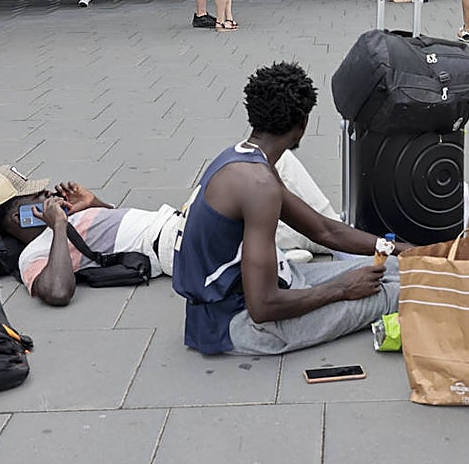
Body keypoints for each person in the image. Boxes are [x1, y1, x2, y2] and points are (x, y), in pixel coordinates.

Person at [172, 62, 406, 355]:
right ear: (302, 124)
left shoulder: (244, 159)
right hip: (238, 323)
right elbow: (263, 306)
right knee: (398, 292)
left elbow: (325, 230)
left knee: (399, 267)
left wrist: (404, 250)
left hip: (270, 288)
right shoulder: (259, 185)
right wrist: (342, 289)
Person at [0, 149, 338, 307]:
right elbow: (57, 292)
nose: (45, 194)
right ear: (12, 217)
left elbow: (122, 230)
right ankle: (329, 242)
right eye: (32, 197)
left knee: (269, 164)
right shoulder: (34, 255)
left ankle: (304, 247)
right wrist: (56, 227)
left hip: (178, 222)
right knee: (263, 166)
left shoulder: (66, 219)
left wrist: (96, 204)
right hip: (180, 244)